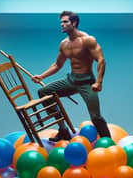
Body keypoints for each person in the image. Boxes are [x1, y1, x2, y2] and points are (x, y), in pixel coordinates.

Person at [32, 11, 111, 141]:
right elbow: (57, 65)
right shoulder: (64, 44)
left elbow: (101, 60)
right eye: (61, 22)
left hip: (87, 82)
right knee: (44, 92)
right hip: (72, 80)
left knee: (96, 116)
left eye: (65, 22)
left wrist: (99, 82)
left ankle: (108, 141)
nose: (62, 25)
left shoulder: (88, 40)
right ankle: (63, 130)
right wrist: (41, 76)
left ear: (74, 23)